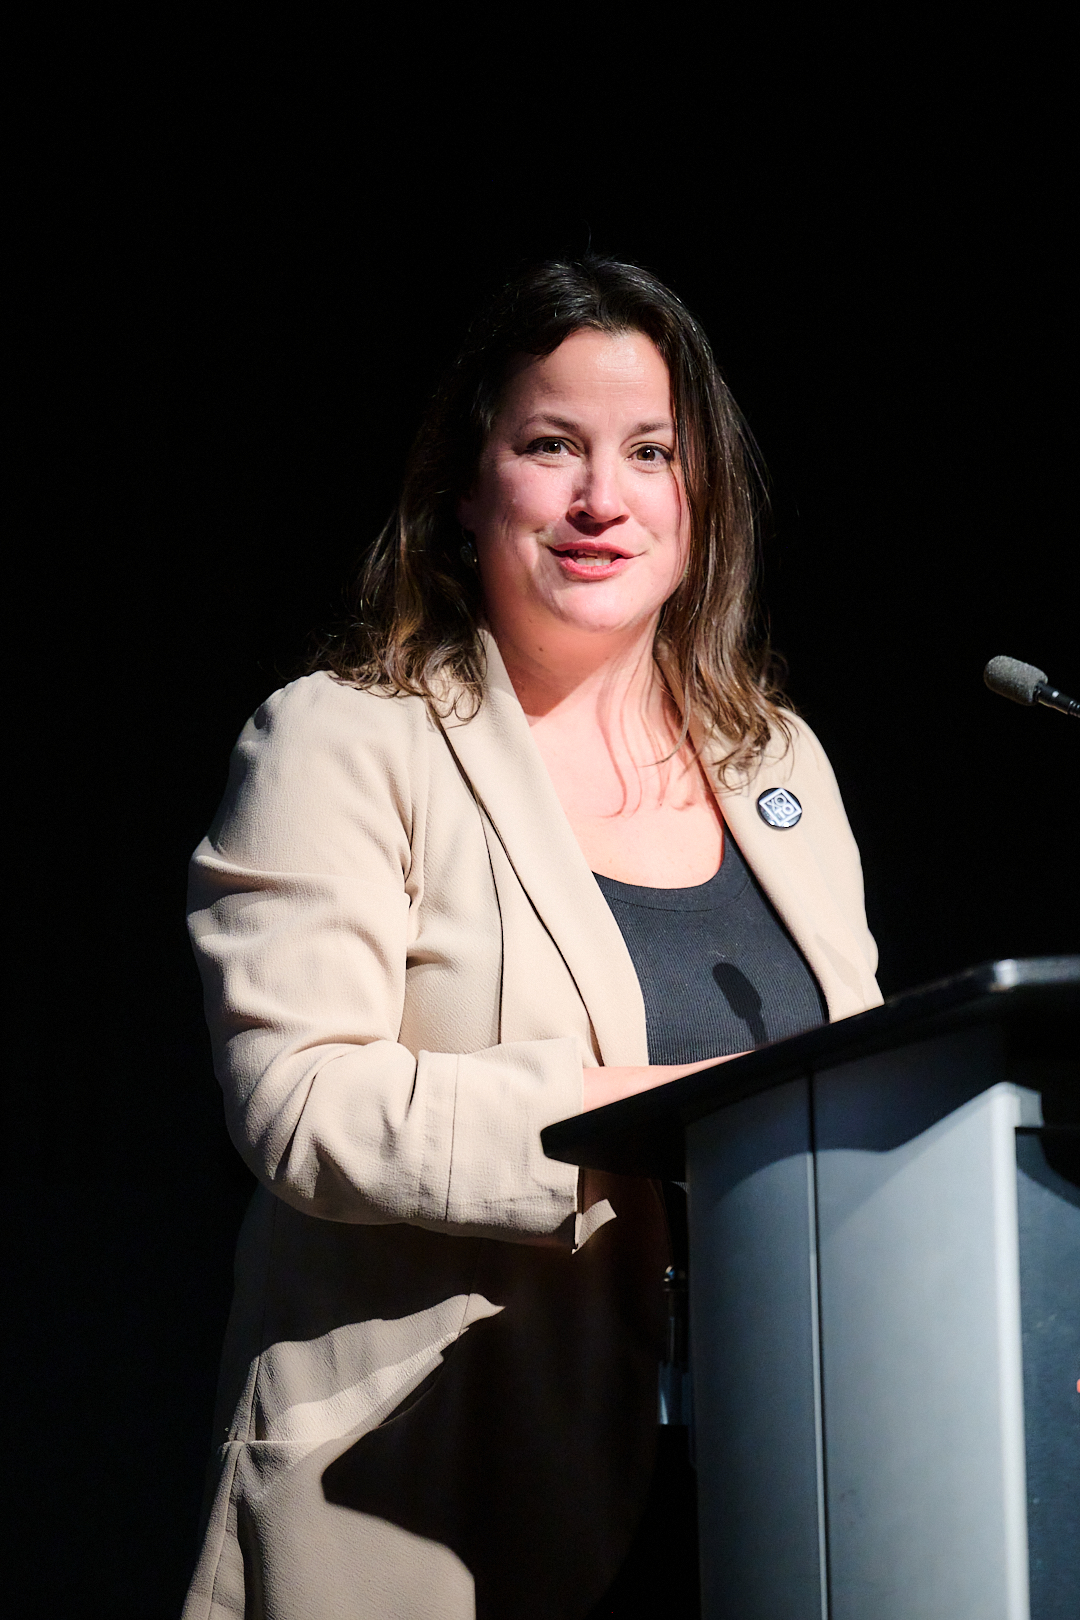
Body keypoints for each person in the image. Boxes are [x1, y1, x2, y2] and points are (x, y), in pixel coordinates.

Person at [183, 256, 881, 1620]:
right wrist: (654, 1116)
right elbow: (301, 1103)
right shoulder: (344, 739)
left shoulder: (775, 763)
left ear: (699, 496)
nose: (602, 497)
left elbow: (858, 1094)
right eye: (551, 445)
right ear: (467, 485)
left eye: (649, 452)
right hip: (433, 1495)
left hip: (776, 1489)